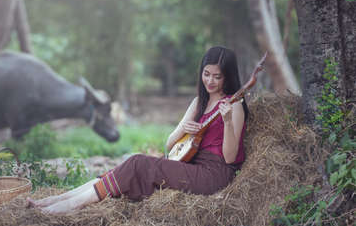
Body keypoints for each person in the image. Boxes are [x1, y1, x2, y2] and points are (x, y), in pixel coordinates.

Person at [26, 46, 249, 214]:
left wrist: (228, 120)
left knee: (139, 162)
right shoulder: (198, 102)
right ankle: (56, 200)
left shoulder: (234, 105)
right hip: (189, 162)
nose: (210, 80)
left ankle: (64, 207)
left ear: (227, 76)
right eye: (206, 74)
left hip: (213, 174)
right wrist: (183, 128)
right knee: (130, 165)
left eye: (217, 76)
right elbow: (170, 146)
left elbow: (230, 158)